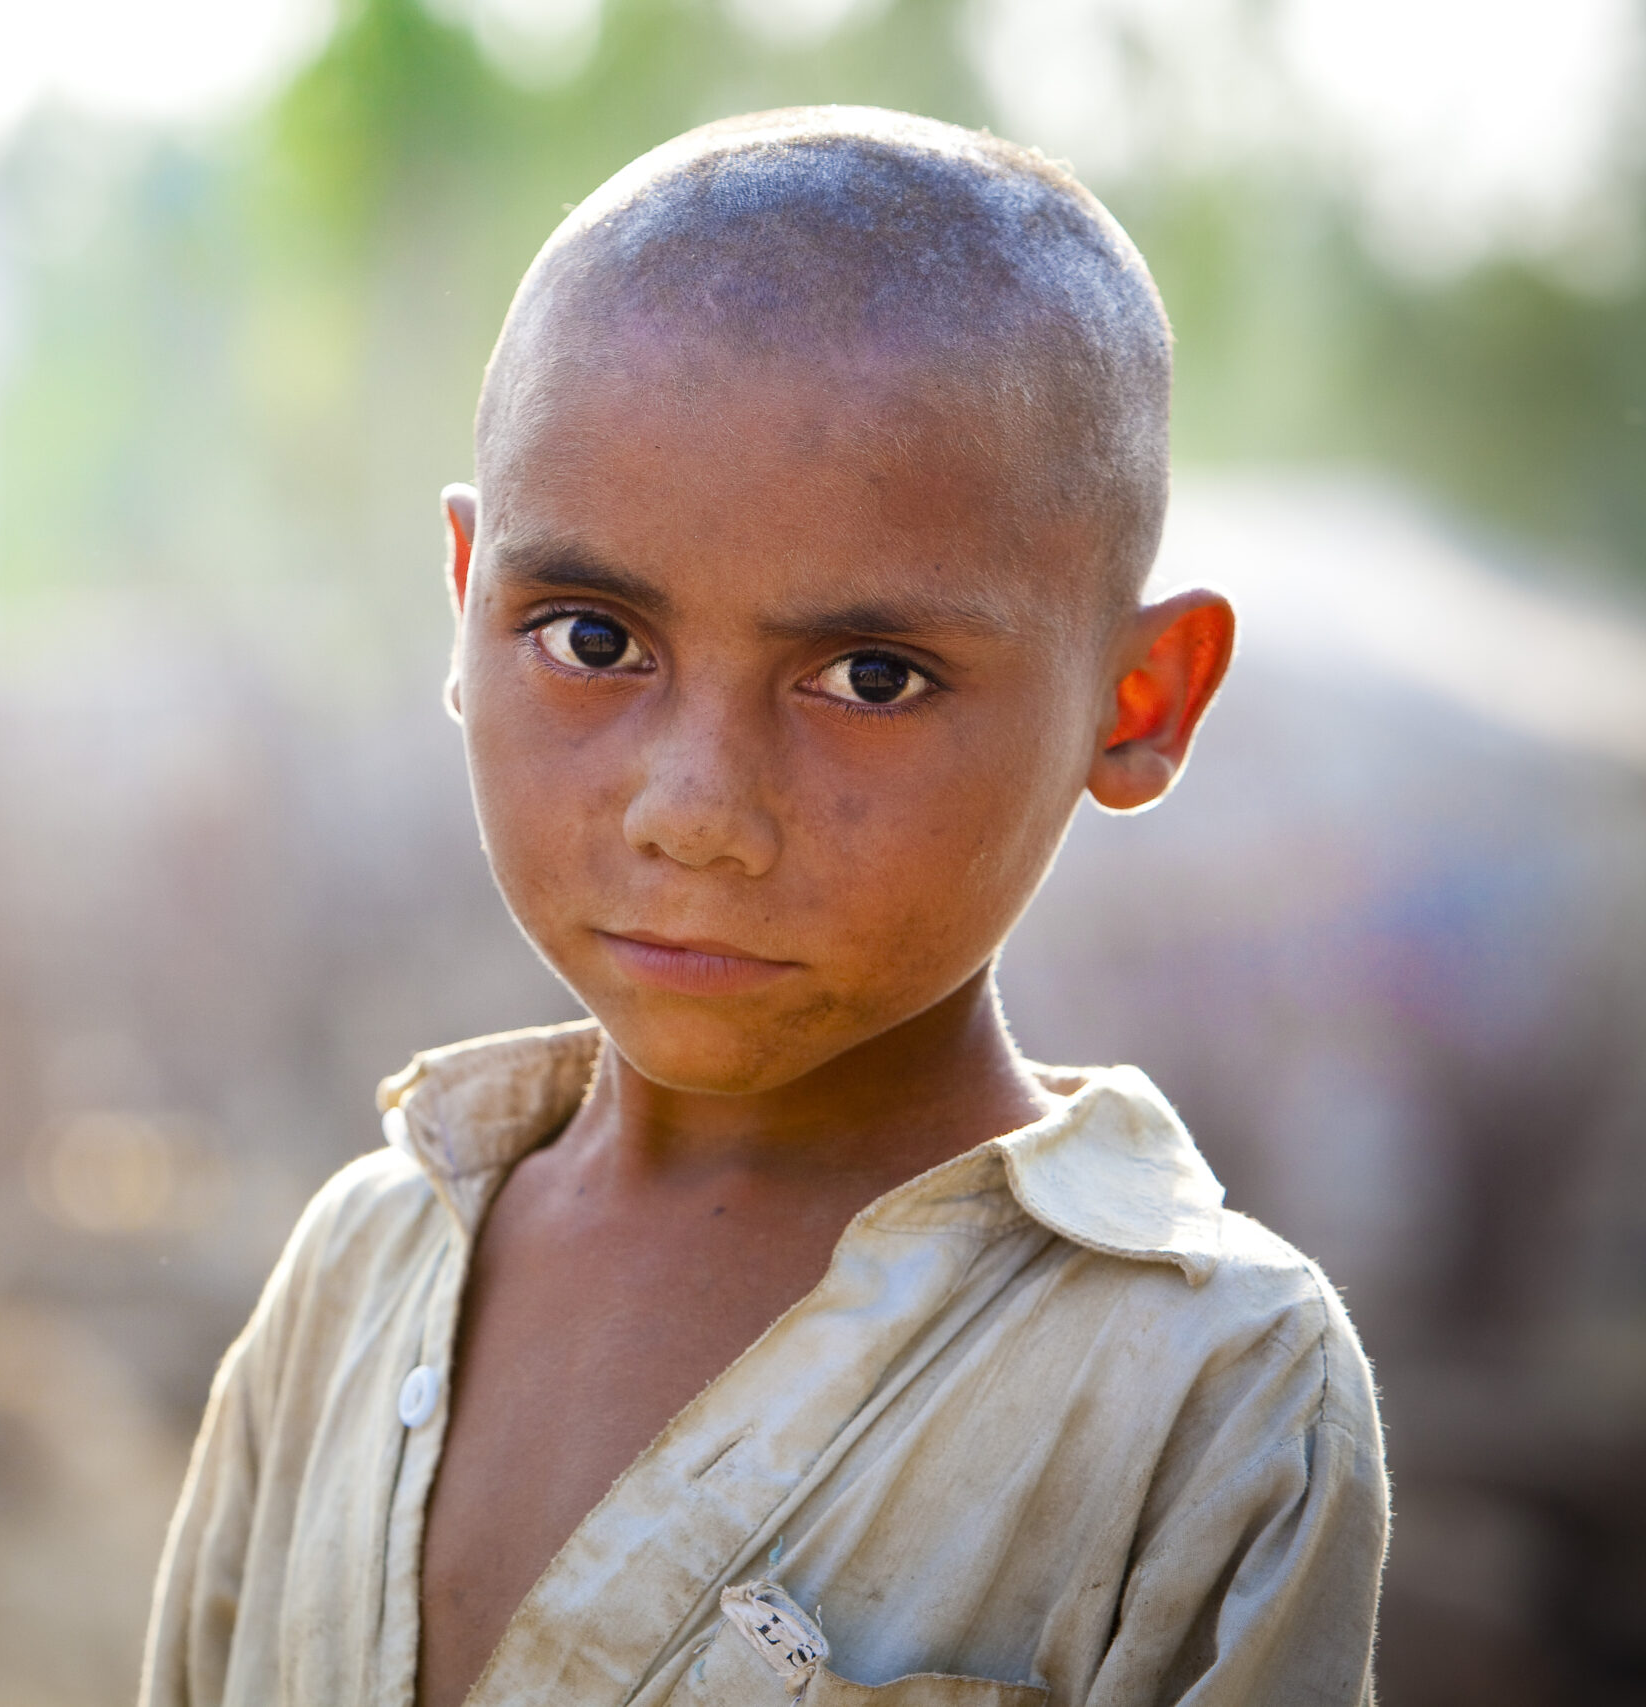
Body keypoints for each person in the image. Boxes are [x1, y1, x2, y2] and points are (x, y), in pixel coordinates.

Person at [139, 107, 1387, 1707]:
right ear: (465, 609)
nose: (697, 812)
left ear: (1139, 700)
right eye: (592, 639)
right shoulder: (362, 1272)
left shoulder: (1202, 1398)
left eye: (873, 678)